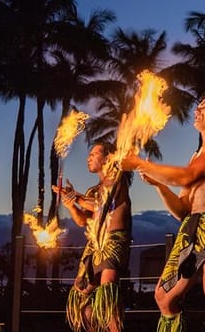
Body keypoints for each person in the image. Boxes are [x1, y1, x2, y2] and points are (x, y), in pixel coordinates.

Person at [121, 89, 205, 332]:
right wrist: (159, 185)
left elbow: (189, 176)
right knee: (164, 297)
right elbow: (182, 210)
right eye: (197, 106)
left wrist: (141, 163)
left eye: (204, 106)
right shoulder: (196, 155)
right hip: (192, 225)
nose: (196, 110)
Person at [53, 141, 132, 332]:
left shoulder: (117, 180)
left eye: (94, 154)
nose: (88, 158)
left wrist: (75, 197)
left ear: (107, 158)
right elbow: (83, 221)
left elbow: (104, 204)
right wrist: (72, 204)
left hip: (113, 241)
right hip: (93, 245)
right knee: (81, 297)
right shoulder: (92, 191)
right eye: (88, 155)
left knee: (107, 292)